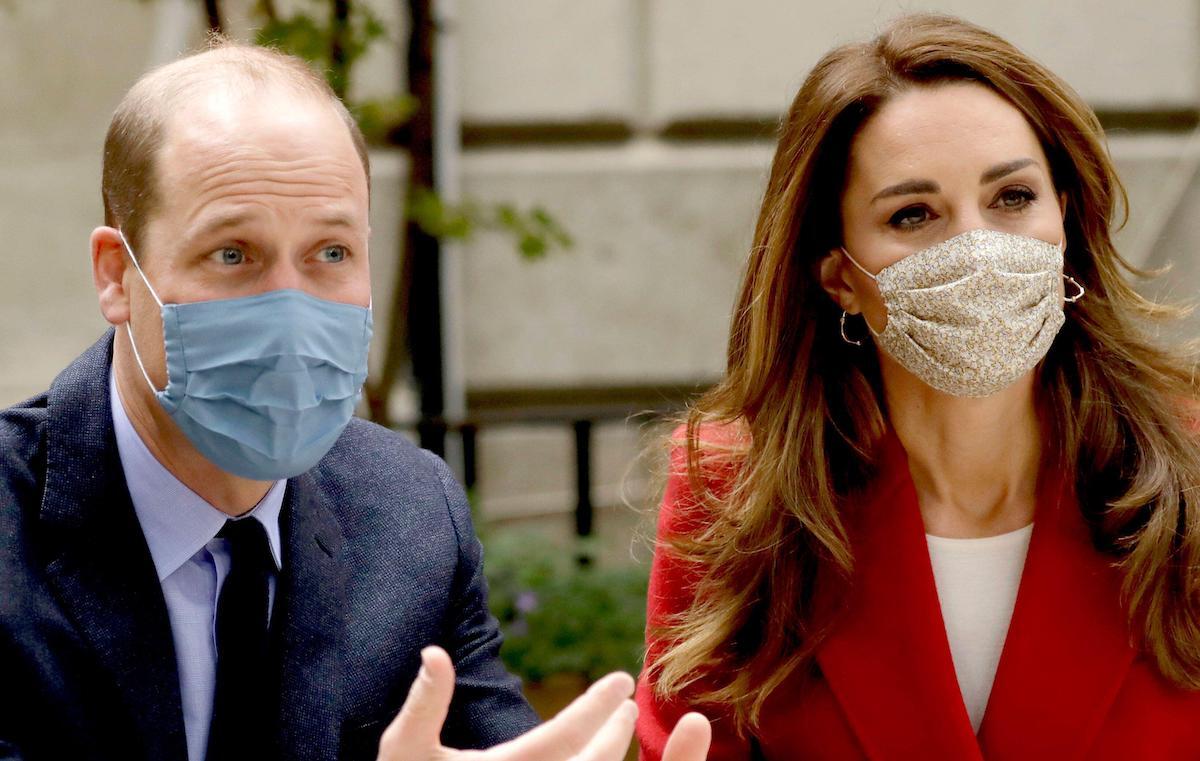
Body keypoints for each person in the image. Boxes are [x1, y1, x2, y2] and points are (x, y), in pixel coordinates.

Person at [0, 41, 710, 761]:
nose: (290, 307)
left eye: (331, 253)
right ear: (118, 274)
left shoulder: (408, 515)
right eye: (233, 254)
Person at [635, 13, 1200, 761]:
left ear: (1065, 214)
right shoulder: (735, 497)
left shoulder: (1187, 467)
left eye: (1011, 198)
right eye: (913, 214)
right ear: (840, 276)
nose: (978, 246)